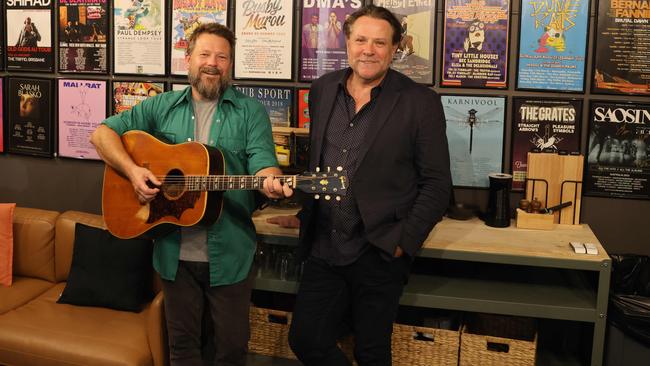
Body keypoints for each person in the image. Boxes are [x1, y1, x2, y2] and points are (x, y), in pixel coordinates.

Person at [90, 23, 292, 366]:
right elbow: (102, 134)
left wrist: (271, 181)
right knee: (182, 350)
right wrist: (133, 170)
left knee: (230, 350)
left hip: (230, 254)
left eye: (222, 56)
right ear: (188, 59)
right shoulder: (161, 107)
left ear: (230, 63)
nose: (212, 63)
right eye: (205, 54)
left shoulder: (250, 112)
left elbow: (262, 163)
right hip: (173, 253)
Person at [268, 5, 451, 365]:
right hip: (324, 245)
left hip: (380, 250)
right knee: (306, 339)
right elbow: (319, 165)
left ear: (395, 48)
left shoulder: (420, 102)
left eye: (380, 42)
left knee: (371, 351)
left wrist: (403, 243)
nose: (369, 49)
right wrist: (305, 214)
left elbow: (437, 184)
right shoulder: (321, 90)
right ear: (347, 43)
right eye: (361, 40)